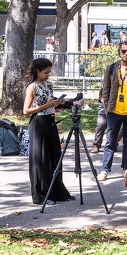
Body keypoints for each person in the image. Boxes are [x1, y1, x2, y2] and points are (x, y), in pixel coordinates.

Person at [22, 58, 76, 205]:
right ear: (37, 71)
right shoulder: (32, 87)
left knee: (55, 157)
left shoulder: (48, 84)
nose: (48, 75)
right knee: (41, 159)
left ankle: (57, 191)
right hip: (39, 123)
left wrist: (60, 103)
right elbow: (26, 110)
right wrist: (46, 105)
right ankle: (42, 194)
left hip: (50, 122)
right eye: (46, 72)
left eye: (49, 72)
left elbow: (51, 102)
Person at [97, 41, 127, 181]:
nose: (126, 54)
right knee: (110, 142)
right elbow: (105, 90)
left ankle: (125, 169)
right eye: (123, 51)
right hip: (114, 111)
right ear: (119, 52)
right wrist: (107, 108)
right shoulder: (111, 69)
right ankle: (105, 170)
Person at [90, 89, 123, 154]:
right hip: (104, 112)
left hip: (118, 112)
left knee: (122, 127)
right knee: (101, 124)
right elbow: (103, 99)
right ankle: (96, 145)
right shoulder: (105, 88)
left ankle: (113, 143)